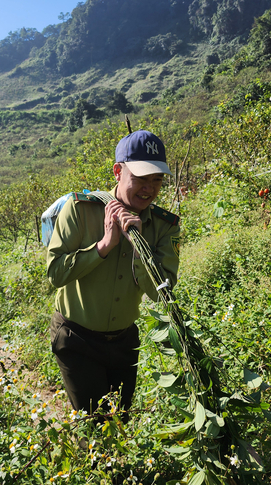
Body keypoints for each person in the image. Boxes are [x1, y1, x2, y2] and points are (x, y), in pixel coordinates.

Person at [46, 130, 181, 421]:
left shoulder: (163, 226)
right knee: (97, 424)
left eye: (157, 179)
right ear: (118, 172)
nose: (149, 189)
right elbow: (56, 274)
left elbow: (162, 292)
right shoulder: (80, 210)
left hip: (124, 341)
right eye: (141, 179)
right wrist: (104, 246)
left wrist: (139, 249)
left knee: (120, 420)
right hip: (76, 337)